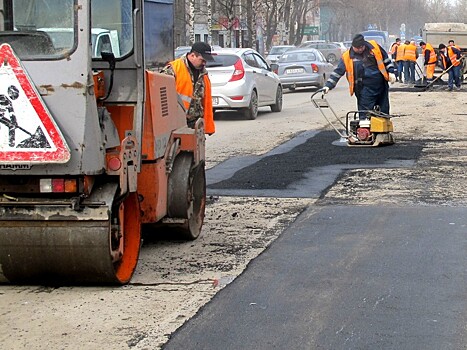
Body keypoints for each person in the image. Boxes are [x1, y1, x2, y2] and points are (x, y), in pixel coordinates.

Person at [323, 34, 396, 119]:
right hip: (364, 89)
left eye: (362, 47)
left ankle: (384, 131)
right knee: (365, 115)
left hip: (381, 85)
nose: (360, 49)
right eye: (357, 48)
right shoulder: (347, 57)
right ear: (353, 46)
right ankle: (365, 130)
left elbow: (386, 60)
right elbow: (338, 72)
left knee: (383, 112)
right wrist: (328, 85)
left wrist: (391, 72)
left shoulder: (375, 48)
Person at [160, 42, 215, 134]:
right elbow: (161, 97)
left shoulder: (203, 74)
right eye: (202, 60)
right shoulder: (173, 69)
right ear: (193, 55)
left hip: (195, 124)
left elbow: (205, 101)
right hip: (176, 124)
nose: (205, 63)